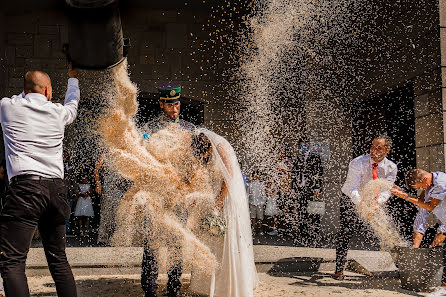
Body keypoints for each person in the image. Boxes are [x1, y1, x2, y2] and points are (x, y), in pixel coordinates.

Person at [0, 66, 79, 297]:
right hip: (56, 189)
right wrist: (72, 80)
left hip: (25, 189)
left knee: (13, 261)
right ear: (47, 91)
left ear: (24, 90)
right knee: (58, 259)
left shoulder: (7, 107)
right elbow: (72, 107)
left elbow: (17, 98)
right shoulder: (57, 112)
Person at [140, 83, 195, 297]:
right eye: (170, 105)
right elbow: (142, 160)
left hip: (179, 196)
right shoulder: (149, 129)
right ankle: (150, 288)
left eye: (177, 105)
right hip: (156, 194)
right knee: (152, 242)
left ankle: (174, 286)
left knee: (176, 241)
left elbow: (193, 165)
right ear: (162, 104)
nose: (175, 109)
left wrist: (192, 192)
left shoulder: (190, 130)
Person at [189, 129, 258, 297]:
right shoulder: (206, 146)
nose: (205, 156)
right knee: (211, 238)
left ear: (207, 143)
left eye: (206, 153)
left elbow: (229, 177)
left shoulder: (221, 146)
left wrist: (219, 201)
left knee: (225, 237)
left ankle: (227, 284)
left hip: (227, 198)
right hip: (214, 194)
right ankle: (208, 283)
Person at [334, 135, 397, 280]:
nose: (373, 150)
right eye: (372, 147)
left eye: (378, 148)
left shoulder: (391, 167)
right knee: (346, 231)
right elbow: (352, 187)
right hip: (351, 198)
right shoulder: (358, 162)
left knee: (386, 231)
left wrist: (377, 202)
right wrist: (362, 204)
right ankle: (339, 269)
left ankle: (400, 267)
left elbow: (387, 189)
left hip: (373, 200)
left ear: (387, 150)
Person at [391, 169, 446, 296]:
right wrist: (414, 250)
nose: (422, 189)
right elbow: (422, 212)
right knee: (436, 250)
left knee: (443, 254)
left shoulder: (441, 183)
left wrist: (407, 197)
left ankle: (444, 289)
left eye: (420, 187)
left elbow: (430, 207)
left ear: (425, 179)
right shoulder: (429, 183)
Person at [291, 138, 323, 243]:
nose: (302, 147)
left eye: (303, 145)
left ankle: (315, 236)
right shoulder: (298, 158)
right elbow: (293, 174)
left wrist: (317, 188)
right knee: (301, 212)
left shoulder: (315, 157)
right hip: (301, 188)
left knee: (314, 212)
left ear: (308, 145)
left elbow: (319, 173)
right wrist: (293, 188)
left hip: (312, 189)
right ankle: (303, 236)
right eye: (300, 146)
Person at [247, 170, 266, 235]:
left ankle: (260, 229)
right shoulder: (250, 184)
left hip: (259, 203)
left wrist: (263, 202)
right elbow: (248, 194)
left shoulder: (261, 185)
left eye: (256, 175)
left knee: (260, 217)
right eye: (254, 175)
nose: (255, 176)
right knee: (253, 217)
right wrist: (248, 202)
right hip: (252, 202)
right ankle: (253, 229)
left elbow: (263, 194)